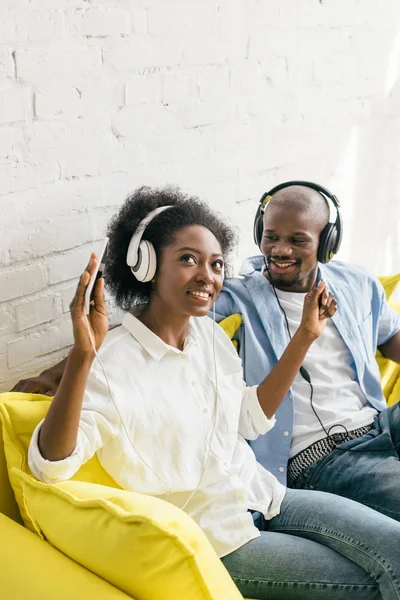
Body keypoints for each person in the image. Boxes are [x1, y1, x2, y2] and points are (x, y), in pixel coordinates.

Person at [27, 186, 400, 600]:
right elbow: (50, 467)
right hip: (221, 539)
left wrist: (305, 336)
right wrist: (81, 357)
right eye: (188, 259)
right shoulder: (110, 365)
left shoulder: (207, 335)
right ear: (146, 265)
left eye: (216, 263)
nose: (208, 274)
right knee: (380, 578)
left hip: (267, 495)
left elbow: (248, 419)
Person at [215, 180, 400, 524]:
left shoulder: (355, 282)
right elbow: (174, 315)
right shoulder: (237, 299)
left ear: (327, 243)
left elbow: (390, 335)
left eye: (297, 240)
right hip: (320, 456)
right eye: (271, 236)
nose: (280, 250)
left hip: (380, 423)